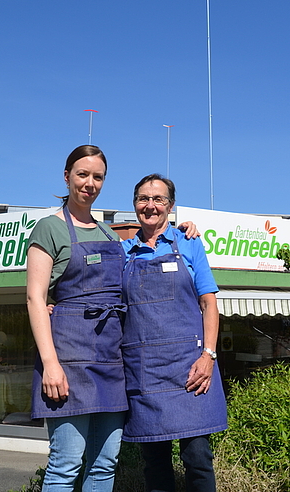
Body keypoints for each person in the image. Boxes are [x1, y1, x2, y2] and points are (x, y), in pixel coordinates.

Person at [27, 147, 198, 492]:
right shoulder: (49, 228)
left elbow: (147, 255)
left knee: (105, 465)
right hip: (68, 359)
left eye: (98, 177)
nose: (90, 183)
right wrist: (51, 364)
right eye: (82, 174)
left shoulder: (110, 236)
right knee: (66, 464)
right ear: (67, 177)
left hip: (110, 362)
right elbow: (34, 297)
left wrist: (182, 230)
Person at [120, 174, 228, 492]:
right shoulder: (122, 252)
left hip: (190, 368)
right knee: (154, 463)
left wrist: (208, 356)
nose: (150, 205)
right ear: (134, 204)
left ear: (170, 206)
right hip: (145, 372)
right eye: (143, 198)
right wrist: (57, 305)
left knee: (197, 458)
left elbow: (209, 304)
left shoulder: (190, 244)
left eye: (158, 199)